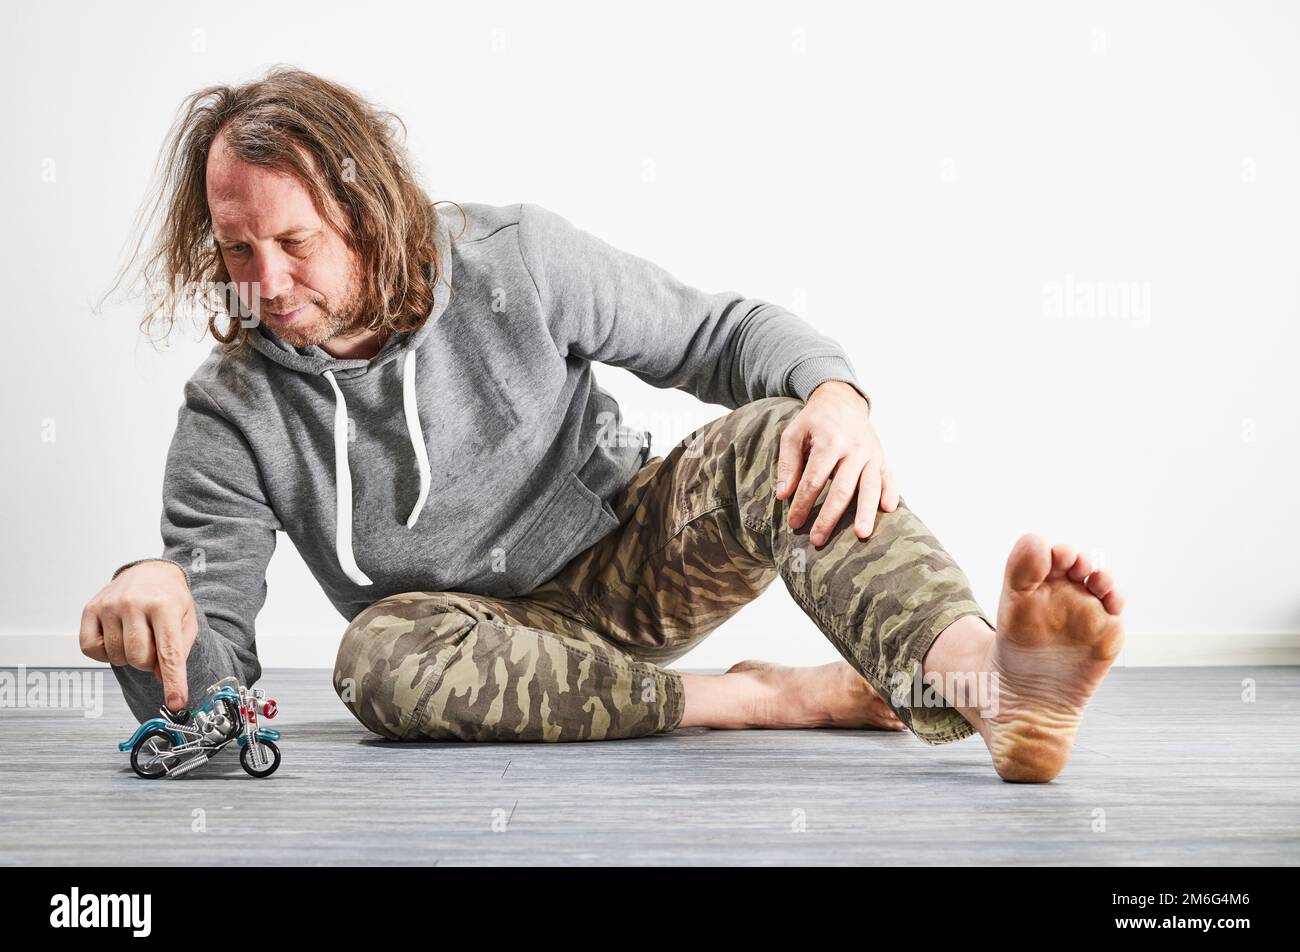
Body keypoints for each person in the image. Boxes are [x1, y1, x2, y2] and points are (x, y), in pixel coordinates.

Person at [82, 67, 1124, 784]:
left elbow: (723, 333)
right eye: (236, 250)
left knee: (779, 435)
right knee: (371, 658)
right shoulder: (229, 413)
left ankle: (991, 687)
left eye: (294, 242)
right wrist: (155, 609)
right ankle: (757, 701)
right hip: (469, 648)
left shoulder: (515, 261)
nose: (266, 283)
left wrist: (836, 398)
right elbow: (211, 733)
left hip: (631, 560)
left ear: (365, 211)